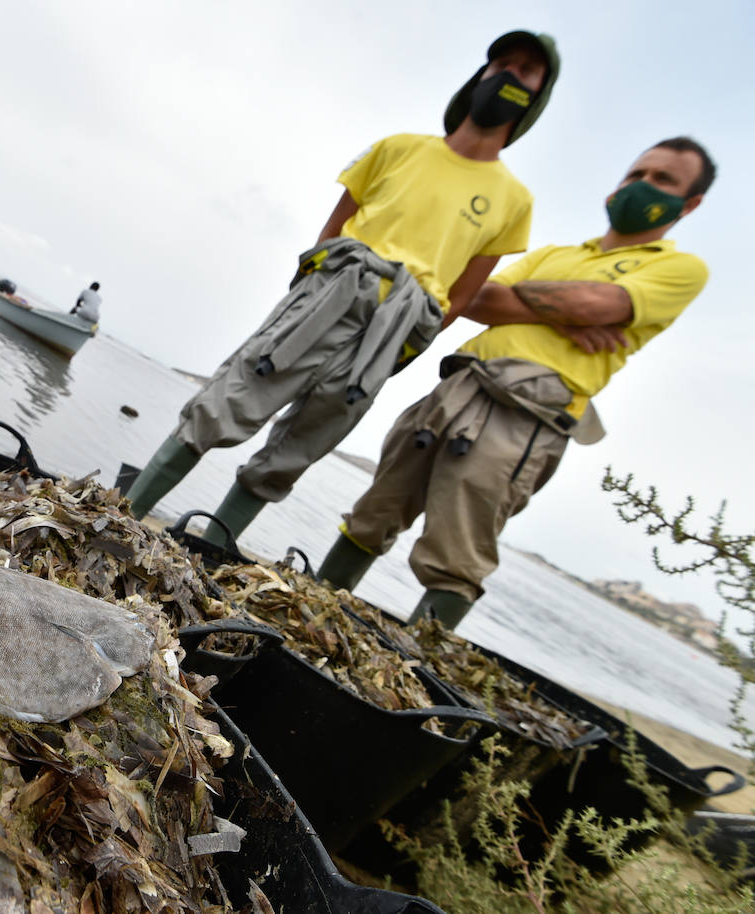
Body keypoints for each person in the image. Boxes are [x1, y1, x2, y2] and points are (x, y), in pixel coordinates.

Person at [123, 31, 559, 544]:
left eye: (527, 71)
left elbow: (461, 296)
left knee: (307, 438)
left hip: (398, 322)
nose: (509, 75)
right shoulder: (399, 148)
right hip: (335, 290)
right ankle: (123, 513)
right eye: (501, 63)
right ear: (480, 75)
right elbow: (331, 231)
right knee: (231, 397)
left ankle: (209, 547)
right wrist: (319, 288)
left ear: (538, 97)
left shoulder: (514, 201)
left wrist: (408, 334)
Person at [316, 137, 714, 628]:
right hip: (460, 385)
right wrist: (564, 310)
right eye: (636, 174)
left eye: (662, 180)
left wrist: (553, 304)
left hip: (528, 411)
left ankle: (419, 658)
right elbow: (476, 298)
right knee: (377, 507)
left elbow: (594, 307)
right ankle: (316, 606)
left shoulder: (679, 268)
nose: (641, 186)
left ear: (690, 202)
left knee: (458, 544)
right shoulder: (555, 253)